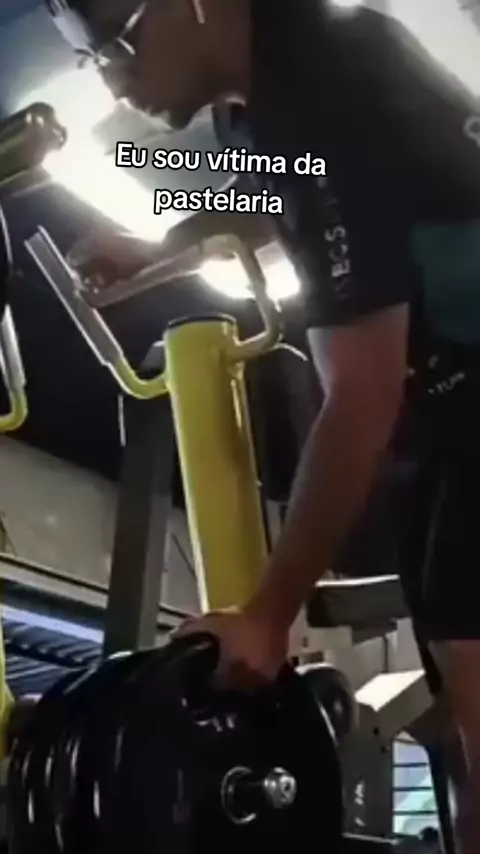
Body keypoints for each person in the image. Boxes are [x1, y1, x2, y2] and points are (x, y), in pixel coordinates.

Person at [47, 1, 480, 850]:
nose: (113, 79)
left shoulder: (330, 83)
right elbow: (281, 197)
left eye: (118, 43)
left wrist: (268, 613)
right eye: (91, 58)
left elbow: (361, 395)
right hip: (447, 415)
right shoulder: (274, 96)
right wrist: (163, 245)